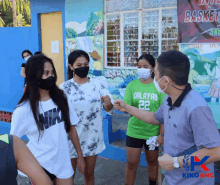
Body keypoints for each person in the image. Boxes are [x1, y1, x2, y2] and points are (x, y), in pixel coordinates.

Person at [114, 50, 220, 185]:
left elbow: (215, 152)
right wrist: (127, 108)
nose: (154, 77)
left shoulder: (196, 108)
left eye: (156, 73)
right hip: (172, 179)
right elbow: (155, 117)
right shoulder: (169, 99)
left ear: (165, 81)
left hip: (193, 181)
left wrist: (175, 162)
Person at [10, 54, 85, 185]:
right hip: (39, 165)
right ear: (34, 76)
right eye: (45, 73)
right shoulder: (23, 110)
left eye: (52, 72)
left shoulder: (62, 97)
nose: (51, 76)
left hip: (63, 162)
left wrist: (80, 155)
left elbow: (71, 128)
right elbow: (13, 141)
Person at [59, 50, 114, 185]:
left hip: (92, 138)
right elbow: (62, 117)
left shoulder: (98, 84)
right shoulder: (64, 88)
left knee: (89, 175)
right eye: (79, 65)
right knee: (68, 176)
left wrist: (108, 104)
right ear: (71, 67)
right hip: (71, 139)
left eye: (85, 64)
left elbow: (109, 109)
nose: (83, 67)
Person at [123, 54, 165, 185]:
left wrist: (161, 135)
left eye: (145, 66)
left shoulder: (159, 87)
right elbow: (126, 107)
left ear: (152, 68)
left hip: (152, 133)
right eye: (139, 66)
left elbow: (163, 114)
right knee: (131, 164)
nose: (142, 69)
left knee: (152, 163)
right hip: (134, 131)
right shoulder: (132, 86)